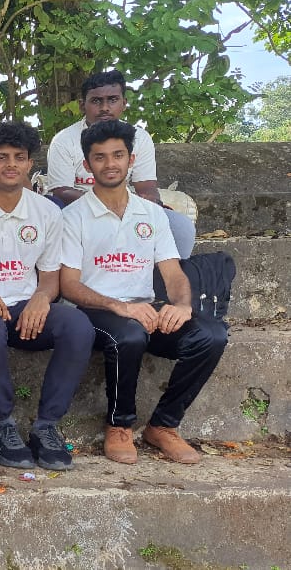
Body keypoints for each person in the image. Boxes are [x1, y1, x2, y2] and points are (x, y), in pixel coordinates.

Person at [60, 120, 226, 465]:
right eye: (100, 157)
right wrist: (118, 307)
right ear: (88, 165)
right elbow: (69, 285)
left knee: (211, 335)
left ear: (131, 160)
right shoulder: (73, 216)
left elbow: (173, 273)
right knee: (130, 335)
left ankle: (163, 426)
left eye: (118, 155)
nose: (110, 164)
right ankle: (119, 426)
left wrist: (182, 305)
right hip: (96, 313)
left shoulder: (151, 213)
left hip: (146, 309)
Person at [0, 122, 94, 471]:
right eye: (1, 158)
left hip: (27, 309)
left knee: (77, 325)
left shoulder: (47, 212)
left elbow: (50, 277)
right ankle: (2, 425)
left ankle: (47, 426)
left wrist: (42, 298)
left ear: (30, 164)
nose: (10, 165)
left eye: (19, 157)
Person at [46, 70, 195, 257]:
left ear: (124, 103)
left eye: (112, 100)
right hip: (79, 209)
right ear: (82, 105)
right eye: (96, 101)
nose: (105, 108)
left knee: (181, 227)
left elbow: (146, 187)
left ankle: (166, 273)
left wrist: (145, 204)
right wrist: (106, 206)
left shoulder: (139, 138)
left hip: (129, 207)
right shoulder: (64, 140)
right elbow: (62, 192)